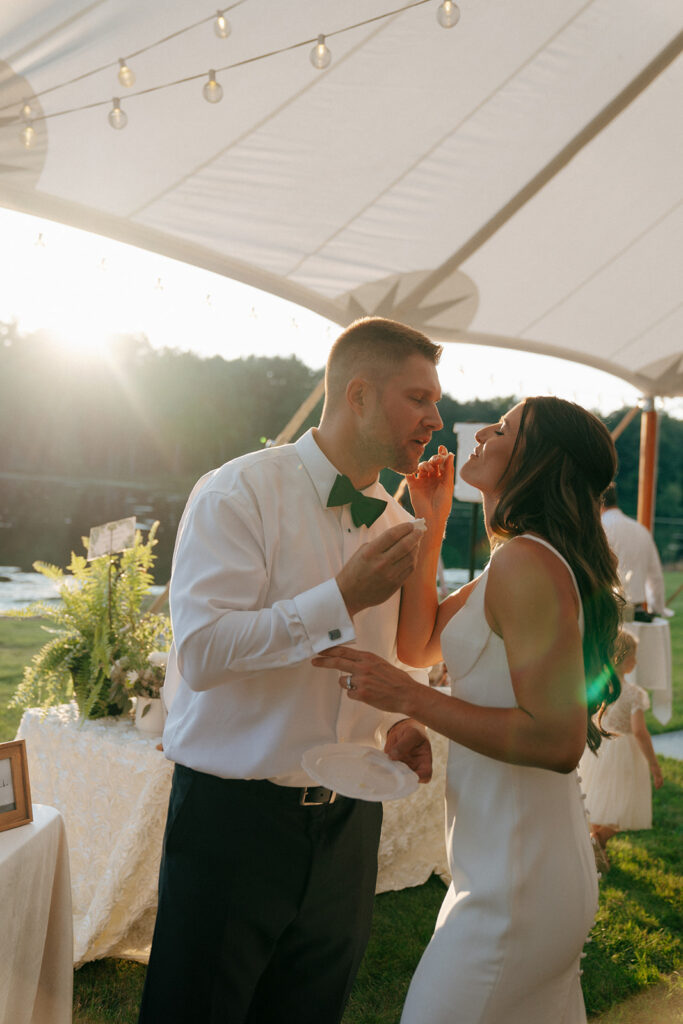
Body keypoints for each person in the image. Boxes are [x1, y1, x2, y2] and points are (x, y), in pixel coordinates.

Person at [138, 317, 443, 1024]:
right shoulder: (237, 493)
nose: (434, 419)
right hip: (234, 823)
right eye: (417, 398)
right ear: (359, 396)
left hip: (348, 825)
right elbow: (206, 653)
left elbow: (383, 661)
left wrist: (397, 724)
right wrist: (340, 598)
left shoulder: (394, 518)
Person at [313, 396, 622, 1024]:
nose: (482, 431)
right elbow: (418, 643)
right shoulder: (515, 560)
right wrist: (431, 522)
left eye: (504, 428)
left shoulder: (529, 564)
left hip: (520, 881)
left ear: (541, 461)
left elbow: (557, 742)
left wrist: (408, 698)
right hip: (503, 864)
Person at [579, 629, 663, 872]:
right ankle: (597, 840)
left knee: (598, 801)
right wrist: (654, 765)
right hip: (623, 753)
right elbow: (640, 732)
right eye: (633, 657)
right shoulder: (634, 694)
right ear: (622, 660)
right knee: (623, 807)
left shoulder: (595, 688)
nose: (636, 662)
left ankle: (596, 853)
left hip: (595, 750)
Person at [601, 482, 666, 620]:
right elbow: (655, 577)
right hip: (637, 614)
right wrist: (656, 609)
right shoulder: (641, 530)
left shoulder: (599, 529)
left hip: (604, 614)